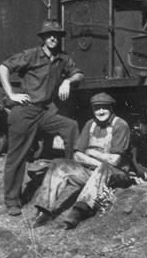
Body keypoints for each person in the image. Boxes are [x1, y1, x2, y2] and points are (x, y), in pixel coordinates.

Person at [0, 20, 84, 217]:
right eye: (49, 35)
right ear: (43, 38)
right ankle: (12, 201)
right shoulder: (31, 55)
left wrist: (68, 81)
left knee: (70, 126)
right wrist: (11, 94)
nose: (53, 38)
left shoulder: (62, 58)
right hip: (25, 111)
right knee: (17, 156)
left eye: (57, 35)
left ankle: (71, 173)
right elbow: (3, 67)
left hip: (45, 112)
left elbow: (79, 74)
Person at [32, 92, 132, 230]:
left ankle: (77, 212)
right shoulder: (90, 124)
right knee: (58, 164)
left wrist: (91, 152)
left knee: (104, 168)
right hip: (95, 172)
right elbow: (77, 155)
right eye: (97, 108)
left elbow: (114, 160)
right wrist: (98, 163)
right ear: (92, 109)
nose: (100, 111)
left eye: (104, 107)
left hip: (117, 175)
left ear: (111, 108)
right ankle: (44, 211)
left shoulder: (120, 125)